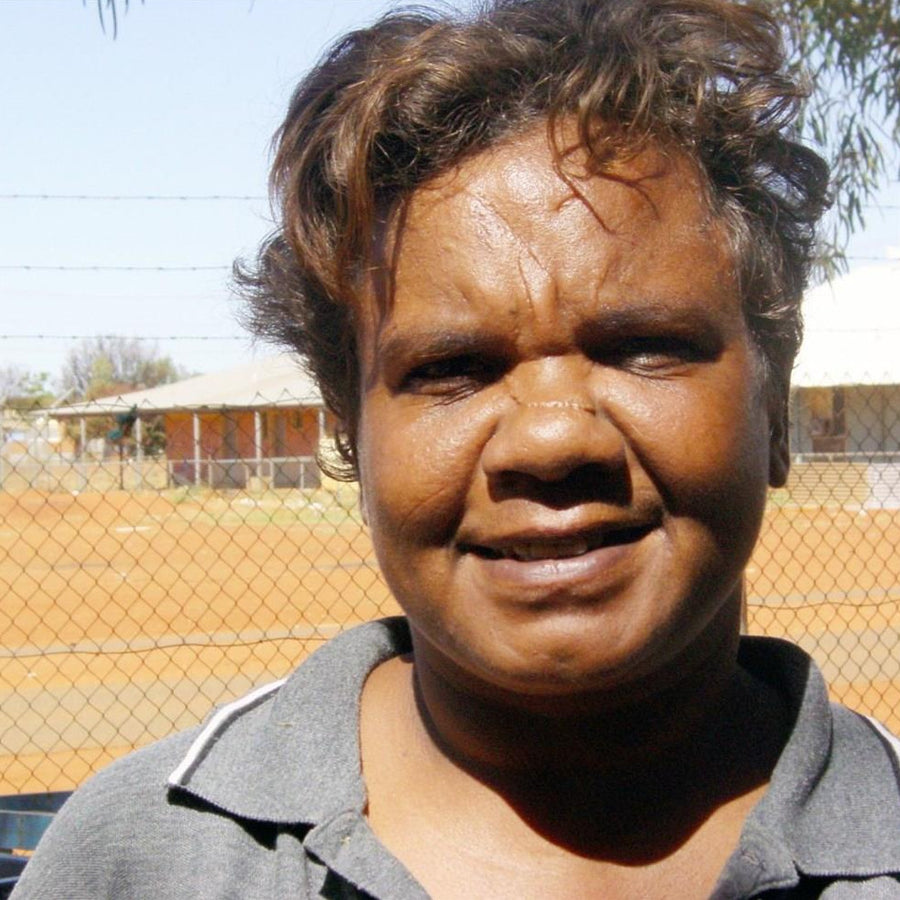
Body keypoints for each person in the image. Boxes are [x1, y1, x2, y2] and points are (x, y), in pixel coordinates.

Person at [14, 0, 900, 897]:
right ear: (350, 435)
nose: (552, 438)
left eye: (644, 346)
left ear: (775, 411)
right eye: (453, 368)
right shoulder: (148, 860)